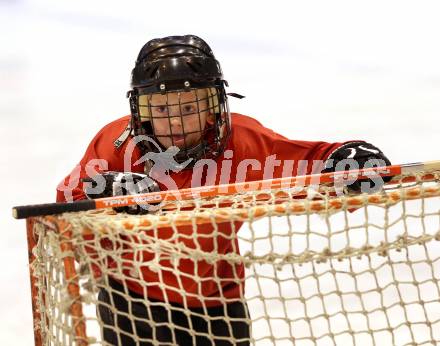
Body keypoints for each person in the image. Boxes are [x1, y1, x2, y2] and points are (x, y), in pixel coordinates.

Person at [56, 35, 391, 345]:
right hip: (129, 301)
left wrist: (346, 158)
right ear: (140, 109)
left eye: (189, 108)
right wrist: (101, 189)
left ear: (214, 104)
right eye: (161, 110)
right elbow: (66, 199)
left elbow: (307, 162)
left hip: (218, 305)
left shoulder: (241, 142)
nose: (176, 123)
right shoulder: (118, 144)